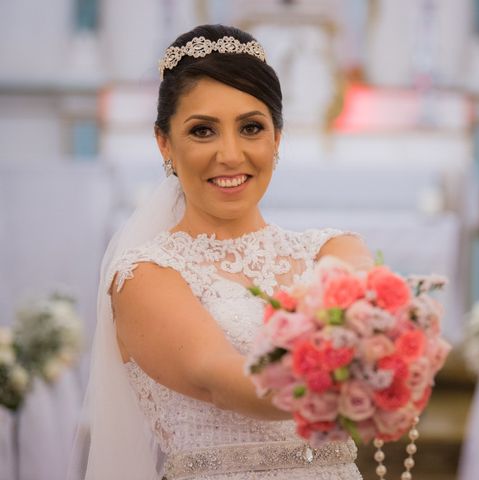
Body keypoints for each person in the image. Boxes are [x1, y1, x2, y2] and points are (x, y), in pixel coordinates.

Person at [68, 24, 373, 480]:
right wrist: (363, 377)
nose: (230, 155)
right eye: (203, 131)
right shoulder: (144, 277)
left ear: (277, 138)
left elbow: (377, 324)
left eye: (251, 127)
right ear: (164, 143)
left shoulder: (334, 250)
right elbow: (219, 379)